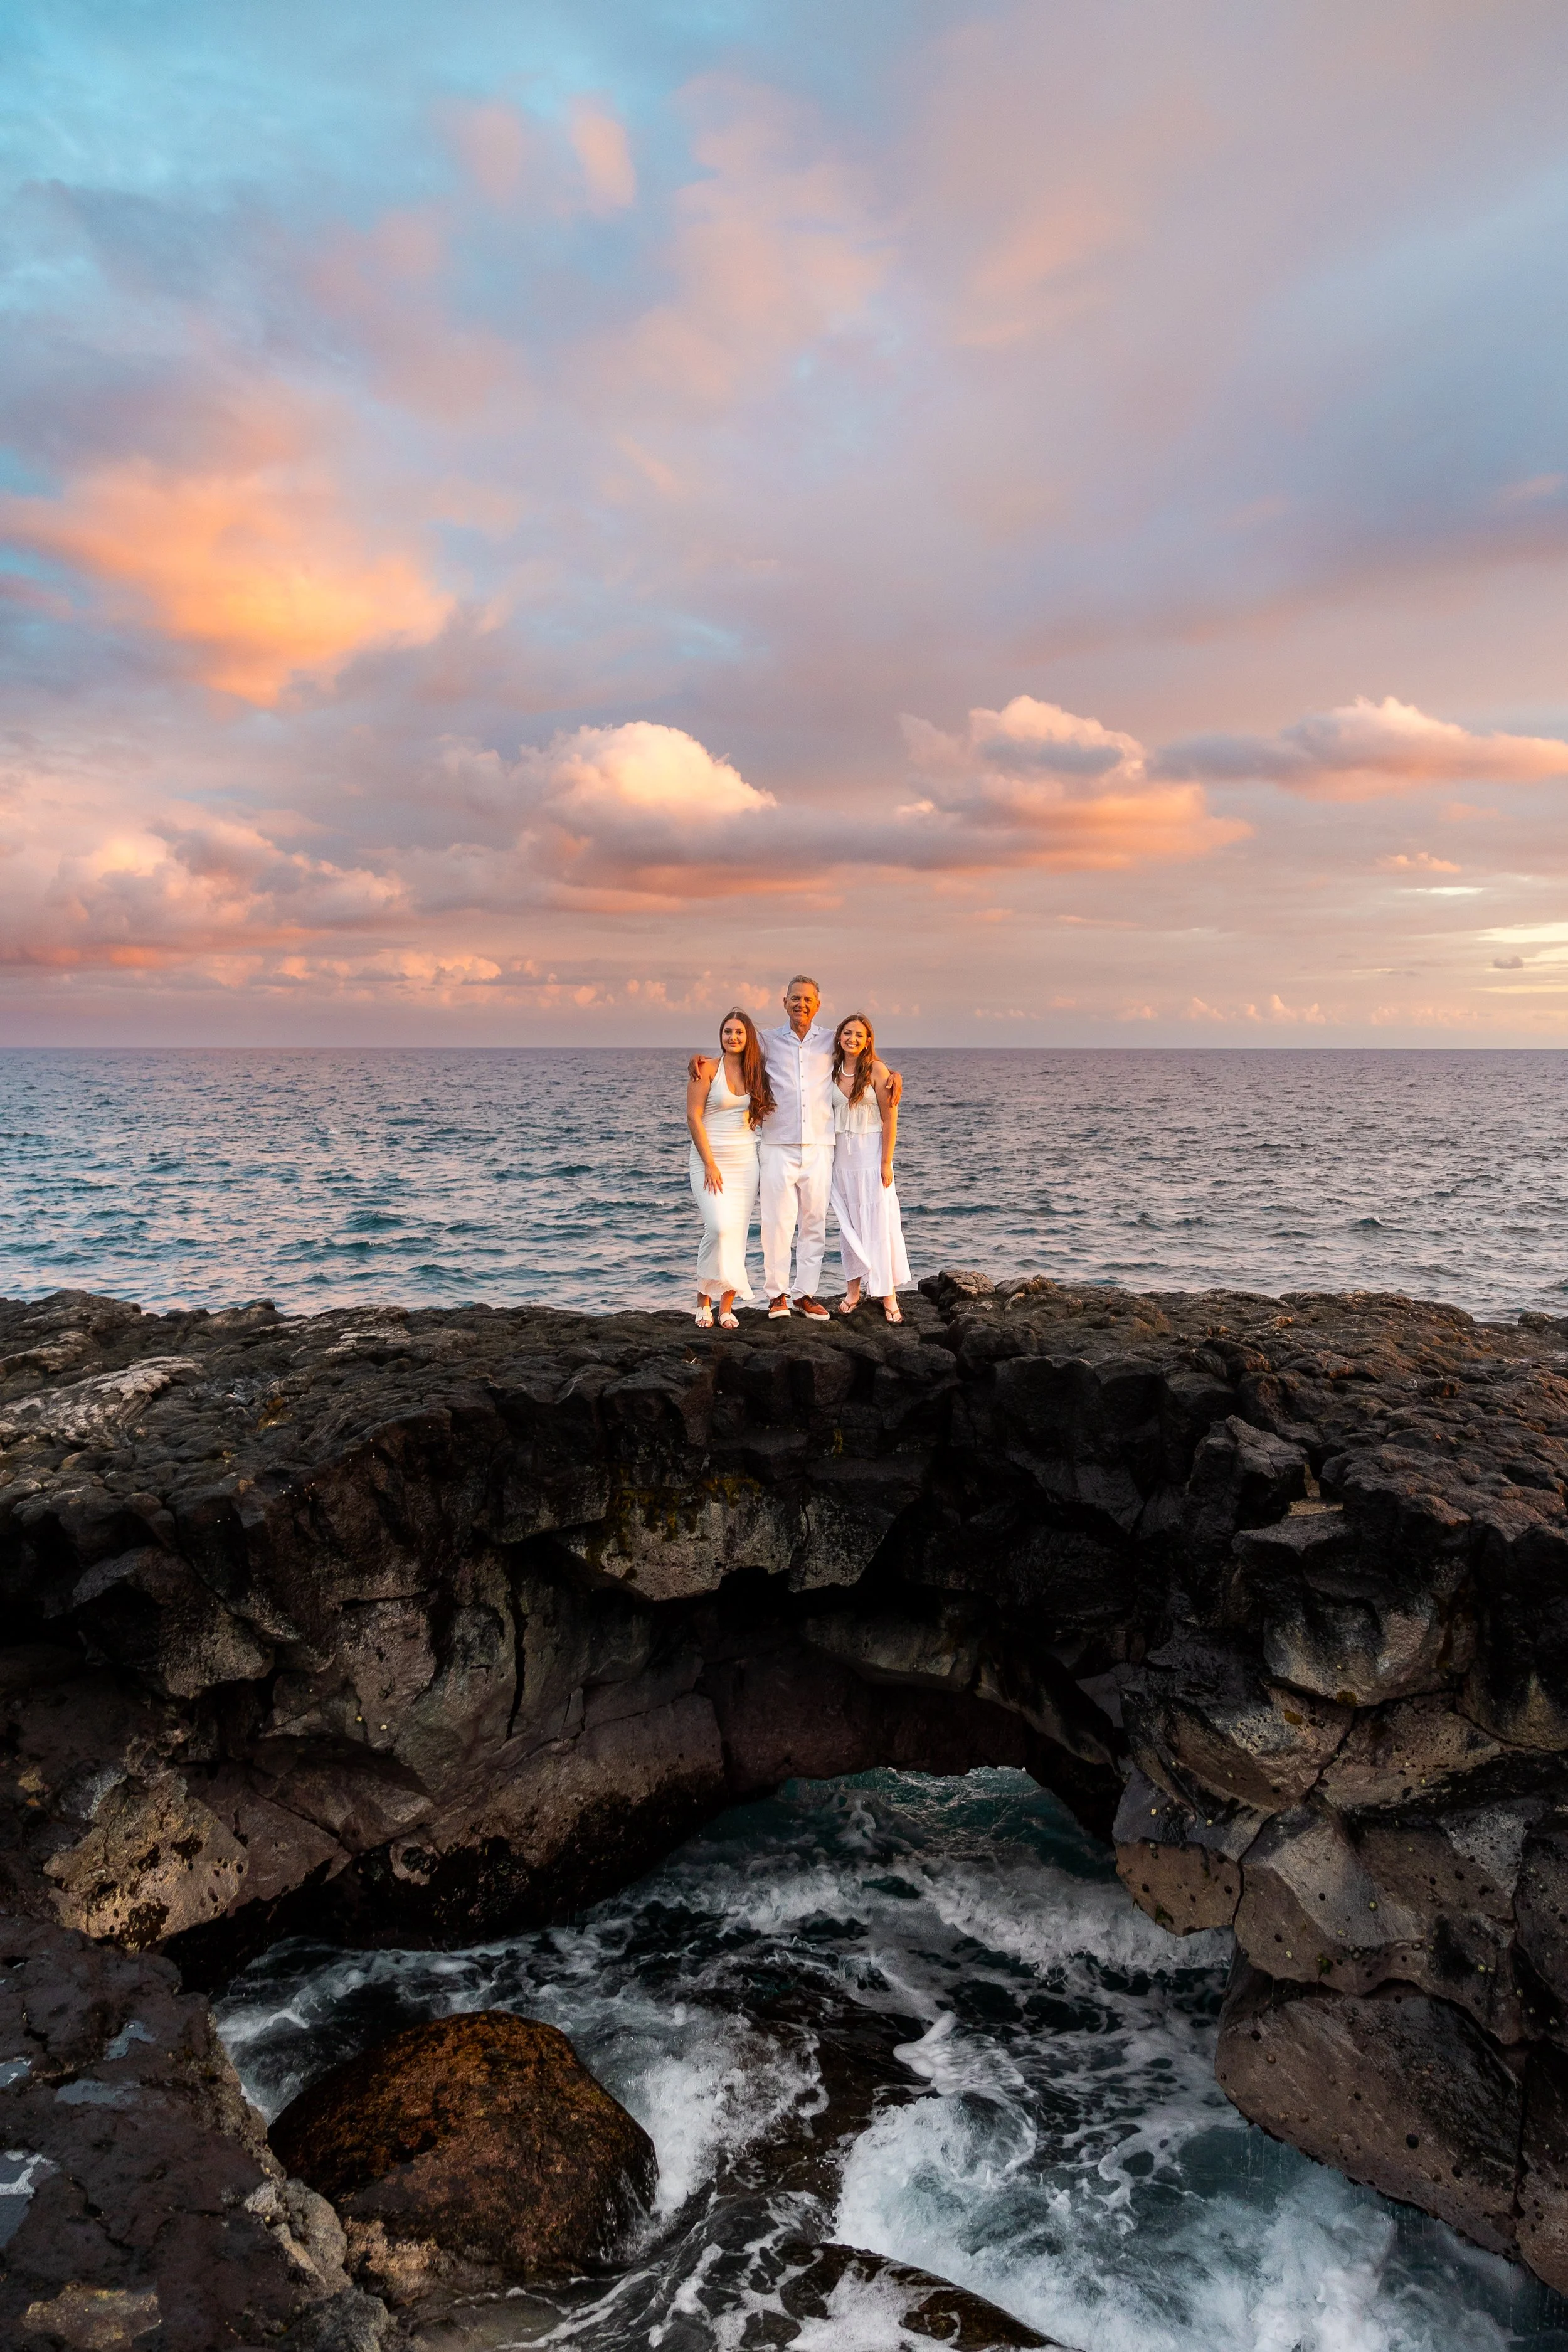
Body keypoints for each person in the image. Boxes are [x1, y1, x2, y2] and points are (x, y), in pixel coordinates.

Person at [688, 974, 901, 1322]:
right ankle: (777, 1296)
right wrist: (699, 1060)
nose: (801, 1004)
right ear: (784, 1002)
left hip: (821, 1145)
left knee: (814, 1222)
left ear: (817, 1005)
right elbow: (733, 1052)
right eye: (795, 998)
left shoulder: (832, 1040)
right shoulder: (767, 1042)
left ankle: (806, 1294)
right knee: (777, 1223)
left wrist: (893, 1075)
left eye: (808, 1000)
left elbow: (861, 1058)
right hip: (777, 1144)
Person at [685, 1008, 773, 1328]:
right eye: (727, 1032)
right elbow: (693, 1117)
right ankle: (702, 1300)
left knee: (735, 1234)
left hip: (747, 1162)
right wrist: (709, 1164)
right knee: (718, 1228)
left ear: (747, 1036)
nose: (733, 1037)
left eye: (738, 1032)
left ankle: (726, 1307)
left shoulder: (757, 1071)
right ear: (720, 1036)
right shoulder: (706, 1068)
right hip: (710, 1161)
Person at [829, 1012, 910, 1324]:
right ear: (840, 1037)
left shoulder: (877, 1070)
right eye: (847, 1033)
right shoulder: (831, 1070)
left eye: (859, 1035)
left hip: (870, 1155)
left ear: (868, 1041)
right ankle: (853, 1291)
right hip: (841, 1159)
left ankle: (887, 1293)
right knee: (849, 1227)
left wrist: (886, 1161)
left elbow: (890, 1117)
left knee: (879, 1223)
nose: (852, 1038)